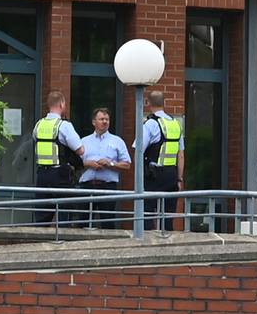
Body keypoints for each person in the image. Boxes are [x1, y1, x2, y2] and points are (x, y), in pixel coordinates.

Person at [136, 89, 186, 231]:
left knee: (147, 212)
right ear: (164, 103)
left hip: (153, 175)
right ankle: (167, 242)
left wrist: (138, 177)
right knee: (168, 215)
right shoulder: (176, 124)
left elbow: (139, 149)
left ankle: (147, 244)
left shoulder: (150, 124)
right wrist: (179, 178)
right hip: (171, 175)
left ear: (148, 103)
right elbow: (181, 155)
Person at [74, 108, 131, 229]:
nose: (104, 122)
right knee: (83, 222)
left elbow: (127, 164)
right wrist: (87, 163)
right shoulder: (83, 141)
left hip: (108, 187)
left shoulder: (117, 141)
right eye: (101, 119)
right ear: (94, 122)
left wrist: (110, 164)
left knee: (108, 222)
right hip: (87, 186)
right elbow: (74, 164)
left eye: (107, 119)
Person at [32, 94, 84, 223]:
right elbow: (80, 149)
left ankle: (40, 241)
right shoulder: (64, 126)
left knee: (42, 216)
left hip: (42, 175)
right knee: (64, 214)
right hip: (60, 174)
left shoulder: (39, 124)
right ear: (61, 104)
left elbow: (35, 140)